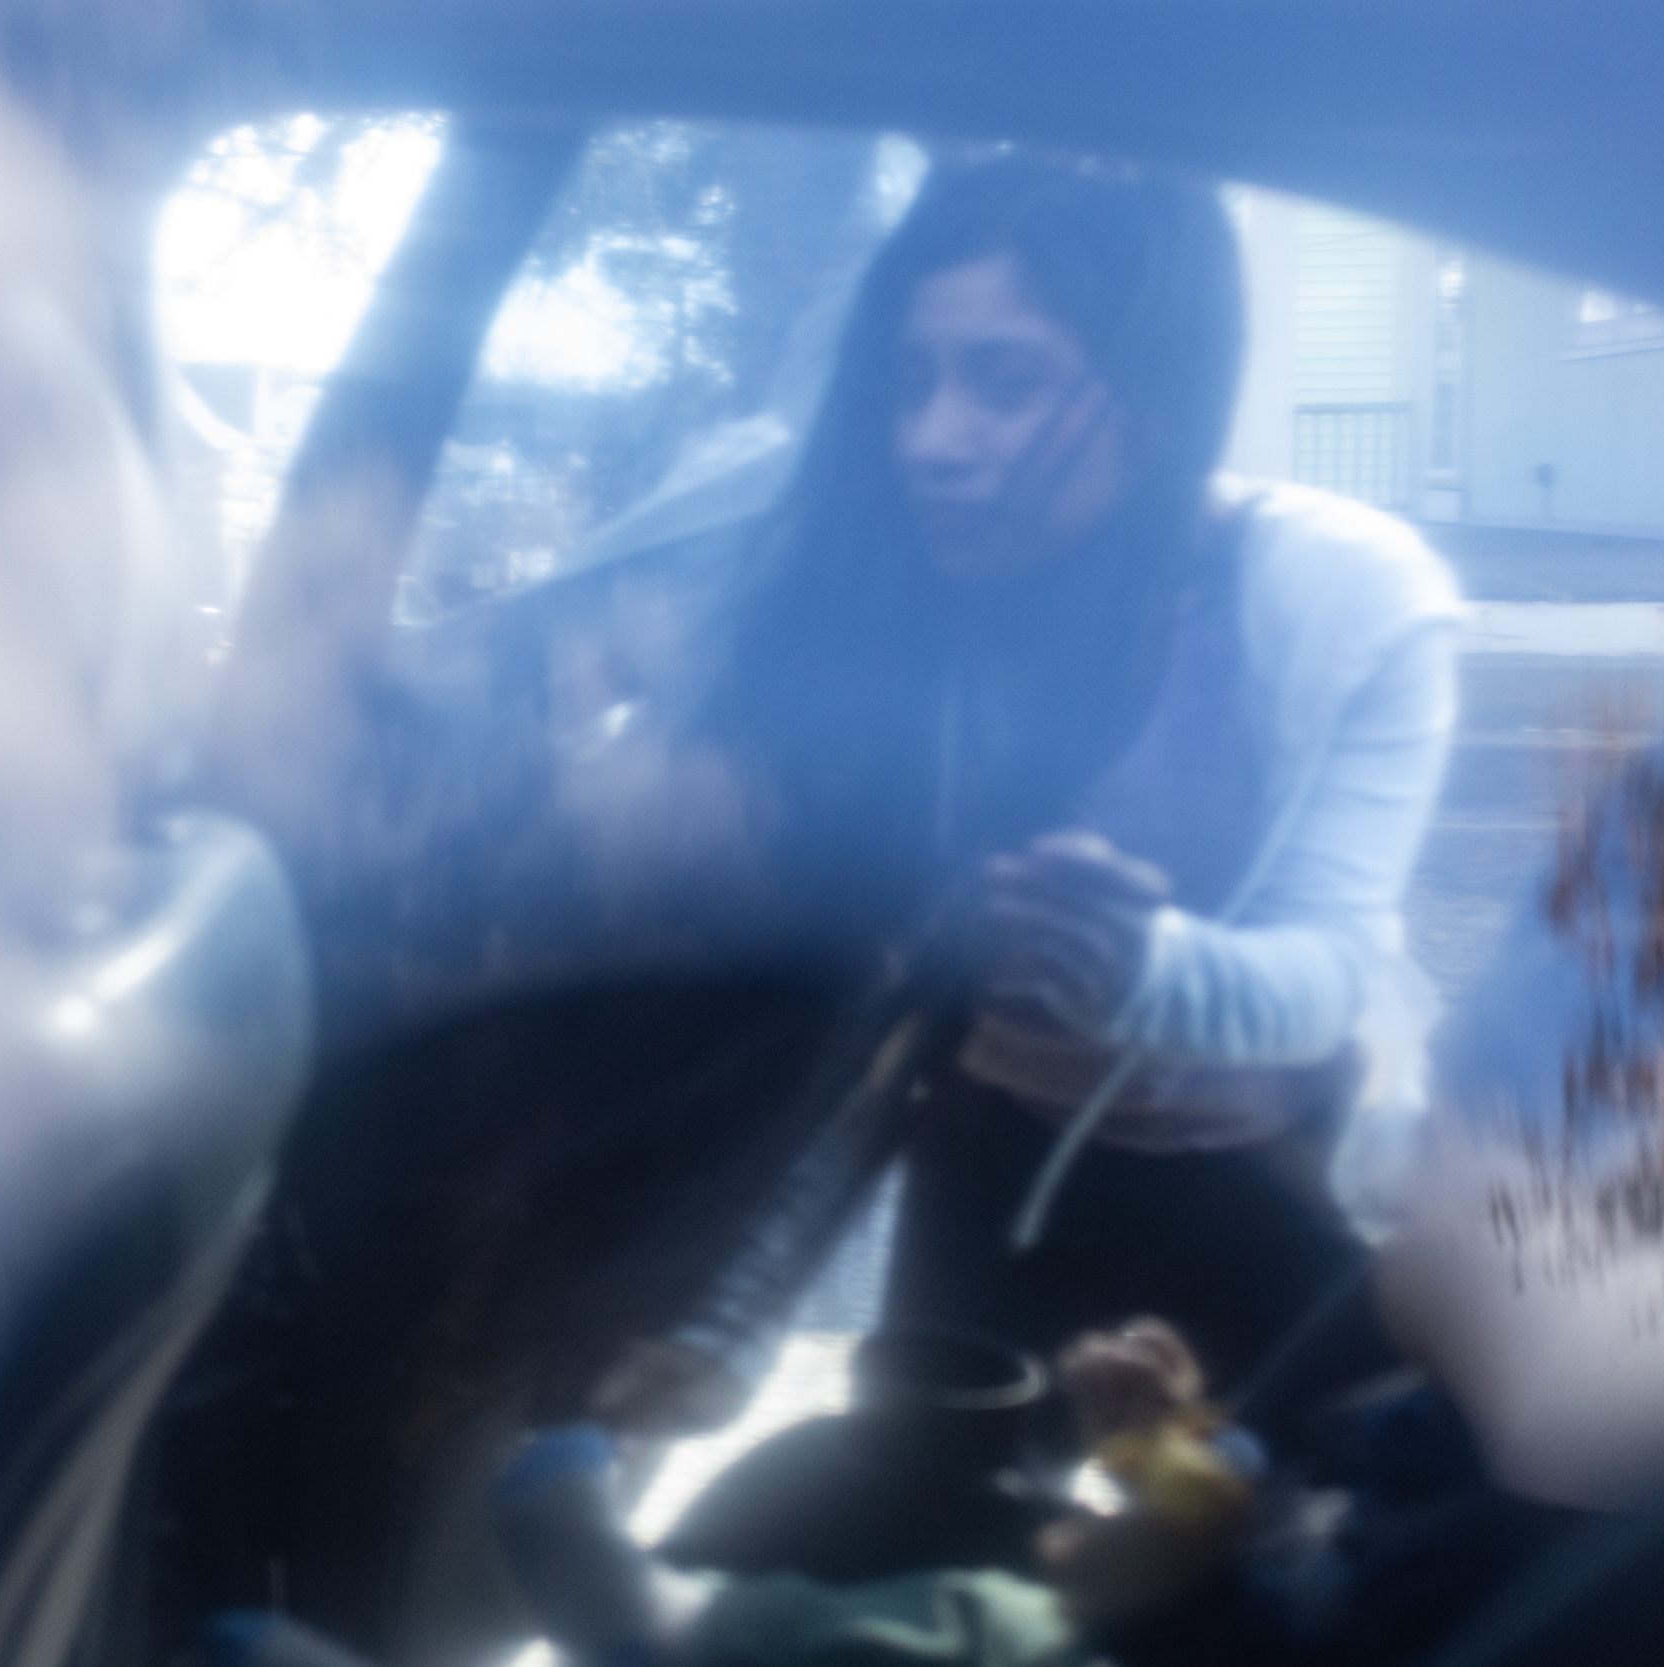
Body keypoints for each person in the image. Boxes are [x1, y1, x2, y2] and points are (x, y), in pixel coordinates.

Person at [598, 152, 1463, 1434]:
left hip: (1272, 1189)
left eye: (1005, 384)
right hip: (998, 1174)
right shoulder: (900, 622)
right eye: (910, 382)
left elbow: (1330, 968)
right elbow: (877, 1018)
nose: (930, 441)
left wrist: (1142, 971)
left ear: (1156, 400)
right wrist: (729, 1317)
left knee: (1253, 1541)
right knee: (938, 1536)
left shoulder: (1339, 601)